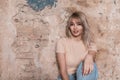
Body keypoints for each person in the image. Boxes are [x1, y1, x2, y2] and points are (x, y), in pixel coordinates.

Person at [56, 11, 98, 80]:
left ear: (84, 26)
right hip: (66, 77)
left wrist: (89, 57)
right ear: (69, 27)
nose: (75, 28)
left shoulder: (89, 43)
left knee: (89, 63)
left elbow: (92, 53)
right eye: (72, 24)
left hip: (84, 76)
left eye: (79, 24)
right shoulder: (62, 42)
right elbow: (63, 71)